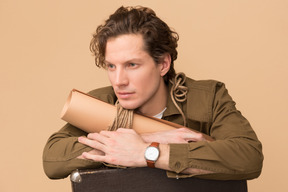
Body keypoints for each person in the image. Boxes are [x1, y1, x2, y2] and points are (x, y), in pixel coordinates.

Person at [43, 6, 263, 180]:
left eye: (132, 65)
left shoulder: (209, 97)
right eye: (111, 66)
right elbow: (53, 159)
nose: (119, 81)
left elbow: (248, 156)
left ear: (163, 64)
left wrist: (149, 152)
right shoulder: (101, 103)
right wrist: (144, 138)